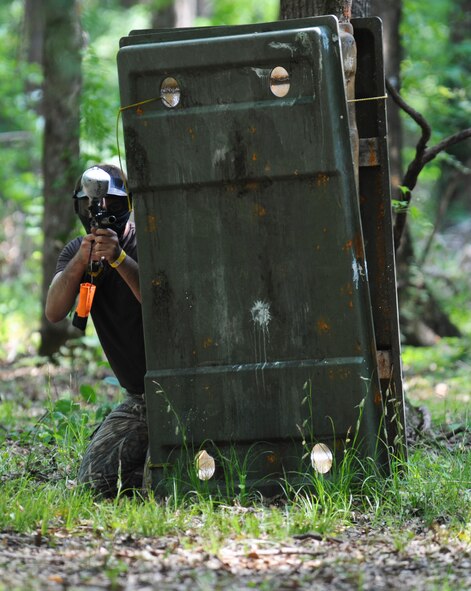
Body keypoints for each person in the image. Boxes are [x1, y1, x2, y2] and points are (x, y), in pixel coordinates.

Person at [45, 163, 148, 497]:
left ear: (127, 205)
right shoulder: (78, 251)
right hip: (140, 400)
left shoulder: (147, 240)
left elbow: (157, 301)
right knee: (94, 483)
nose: (100, 212)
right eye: (90, 205)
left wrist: (118, 259)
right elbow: (54, 311)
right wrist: (82, 260)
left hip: (179, 390)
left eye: (111, 205)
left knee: (178, 474)